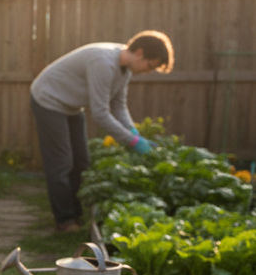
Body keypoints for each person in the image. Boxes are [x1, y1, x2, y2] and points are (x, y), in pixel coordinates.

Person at [29, 31, 174, 232]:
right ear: (139, 53)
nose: (148, 71)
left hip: (70, 105)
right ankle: (65, 220)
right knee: (61, 162)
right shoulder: (104, 63)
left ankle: (77, 215)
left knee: (82, 161)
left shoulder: (125, 70)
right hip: (48, 99)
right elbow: (100, 114)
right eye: (150, 66)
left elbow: (118, 106)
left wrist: (133, 132)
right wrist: (132, 142)